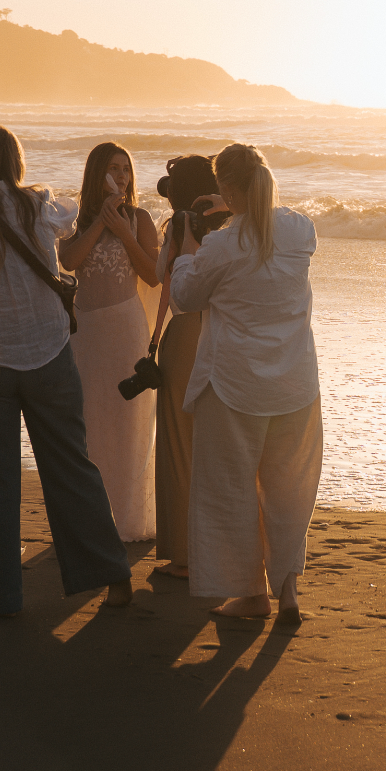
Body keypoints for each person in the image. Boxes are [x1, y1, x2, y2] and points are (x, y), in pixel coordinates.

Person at [0, 124, 132, 617]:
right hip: (47, 354)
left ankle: (4, 596)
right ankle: (112, 578)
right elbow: (69, 221)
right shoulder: (39, 207)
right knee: (72, 468)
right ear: (15, 163)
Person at [170, 143, 322, 627]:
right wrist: (233, 210)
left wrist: (187, 251)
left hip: (234, 383)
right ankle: (289, 590)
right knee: (287, 488)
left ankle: (250, 593)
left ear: (227, 190)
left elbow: (184, 298)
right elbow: (264, 225)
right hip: (295, 380)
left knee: (229, 488)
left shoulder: (219, 246)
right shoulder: (300, 231)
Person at [58, 142, 161, 541]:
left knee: (127, 422)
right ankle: (89, 518)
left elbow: (153, 275)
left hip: (125, 329)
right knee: (87, 422)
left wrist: (123, 230)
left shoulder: (140, 218)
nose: (122, 177)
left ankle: (129, 521)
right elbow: (69, 261)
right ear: (96, 174)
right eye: (113, 169)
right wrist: (101, 222)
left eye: (126, 170)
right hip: (86, 333)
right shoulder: (75, 220)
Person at [151, 155, 219, 579]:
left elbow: (162, 276)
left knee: (179, 446)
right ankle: (222, 551)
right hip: (223, 334)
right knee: (217, 447)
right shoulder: (231, 225)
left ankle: (184, 554)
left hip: (185, 334)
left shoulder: (180, 224)